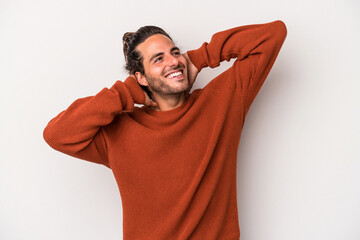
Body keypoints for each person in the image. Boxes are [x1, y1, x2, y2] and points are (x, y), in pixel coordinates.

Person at [43, 20, 287, 240]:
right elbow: (57, 135)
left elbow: (273, 34)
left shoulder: (223, 102)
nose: (173, 61)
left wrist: (200, 57)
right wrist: (126, 92)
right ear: (141, 78)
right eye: (158, 59)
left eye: (175, 52)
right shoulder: (119, 131)